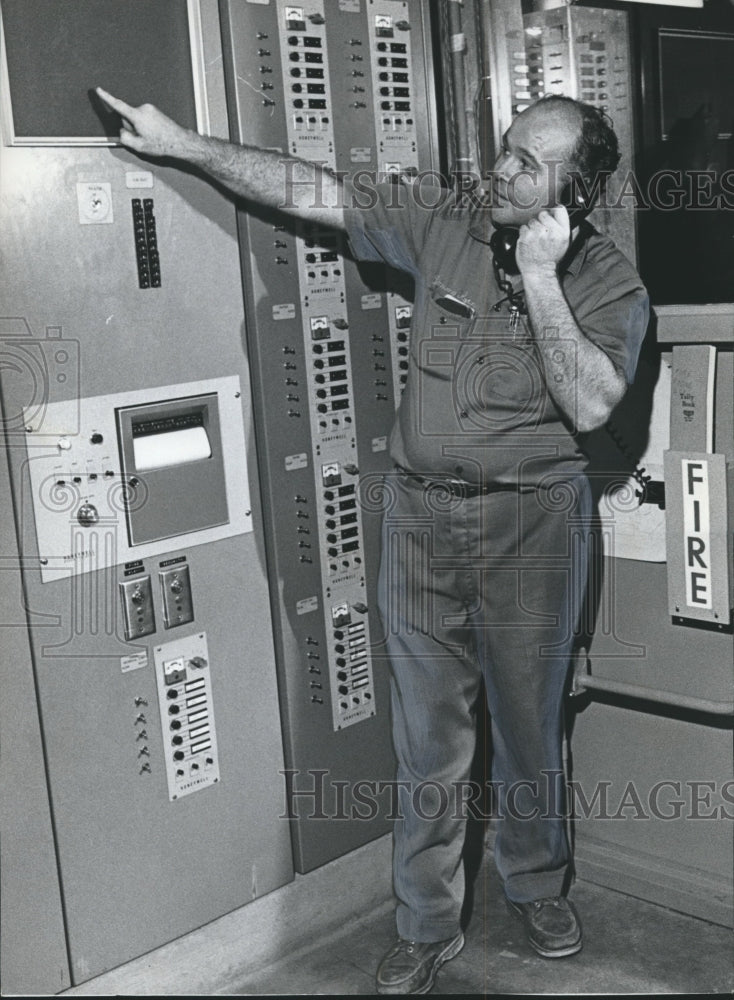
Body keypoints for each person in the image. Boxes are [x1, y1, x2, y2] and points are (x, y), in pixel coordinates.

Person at [96, 87, 649, 995]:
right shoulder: (447, 221)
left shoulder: (608, 283)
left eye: (523, 164)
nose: (496, 170)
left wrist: (541, 276)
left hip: (532, 529)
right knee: (427, 739)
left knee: (529, 727)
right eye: (501, 149)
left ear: (573, 196)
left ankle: (537, 885)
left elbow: (592, 403)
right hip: (422, 522)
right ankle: (426, 923)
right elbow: (315, 191)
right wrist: (185, 145)